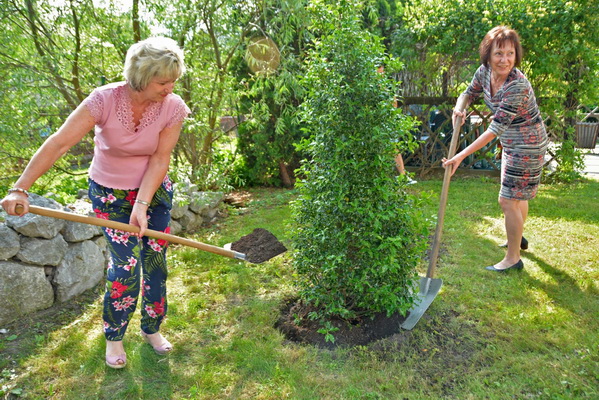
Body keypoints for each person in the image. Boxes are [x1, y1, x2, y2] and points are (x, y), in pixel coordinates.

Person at [0, 37, 191, 368]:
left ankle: (151, 329)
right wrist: (21, 188)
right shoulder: (103, 100)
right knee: (125, 268)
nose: (170, 87)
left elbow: (161, 159)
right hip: (110, 194)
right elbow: (59, 143)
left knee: (156, 265)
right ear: (142, 76)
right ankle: (115, 337)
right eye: (163, 81)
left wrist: (143, 204)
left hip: (153, 193)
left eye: (174, 79)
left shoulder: (173, 106)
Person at [442, 26, 548, 272]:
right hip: (511, 142)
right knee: (516, 196)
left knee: (508, 200)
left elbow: (494, 130)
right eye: (499, 53)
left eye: (510, 54)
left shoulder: (517, 86)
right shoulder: (484, 73)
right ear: (488, 55)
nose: (505, 60)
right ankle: (517, 237)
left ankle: (512, 259)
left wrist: (459, 156)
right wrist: (460, 106)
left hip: (529, 145)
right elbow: (468, 93)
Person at [376, 65, 417, 184]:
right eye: (379, 72)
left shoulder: (386, 87)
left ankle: (403, 176)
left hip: (386, 122)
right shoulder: (368, 88)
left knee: (393, 148)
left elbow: (394, 104)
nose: (381, 74)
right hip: (373, 124)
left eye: (382, 72)